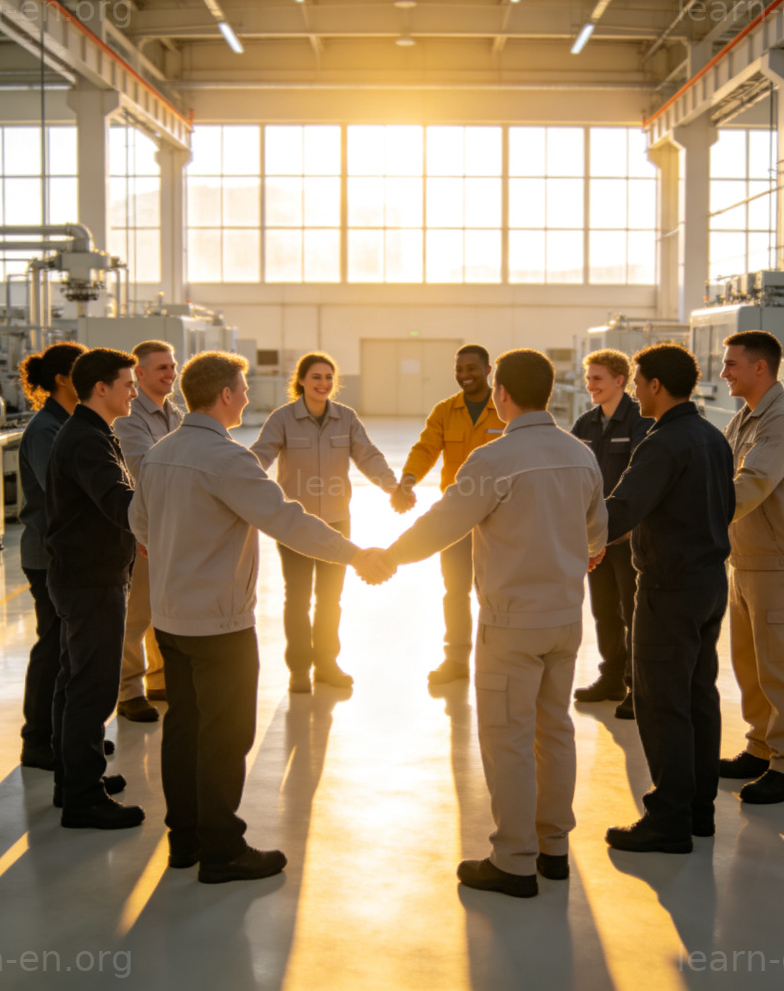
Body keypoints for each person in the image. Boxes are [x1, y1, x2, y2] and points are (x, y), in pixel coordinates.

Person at [129, 351, 391, 884]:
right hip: (220, 625)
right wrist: (356, 554)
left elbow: (139, 524)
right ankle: (222, 850)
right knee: (226, 737)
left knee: (183, 730)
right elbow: (288, 521)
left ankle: (185, 841)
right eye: (243, 389)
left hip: (173, 621)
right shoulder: (227, 460)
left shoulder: (159, 455)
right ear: (224, 396)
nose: (247, 398)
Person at [380, 349, 607, 898]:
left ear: (501, 393)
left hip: (512, 624)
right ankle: (554, 847)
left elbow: (442, 525)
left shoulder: (494, 458)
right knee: (554, 731)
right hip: (564, 619)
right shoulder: (581, 455)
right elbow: (596, 534)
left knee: (507, 738)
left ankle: (513, 860)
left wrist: (388, 557)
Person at [603, 343, 735, 854]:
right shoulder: (711, 437)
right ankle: (699, 811)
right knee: (700, 696)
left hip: (667, 590)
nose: (634, 391)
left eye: (637, 382)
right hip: (708, 584)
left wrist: (572, 534)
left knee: (661, 703)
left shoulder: (661, 444)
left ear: (656, 385)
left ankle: (669, 819)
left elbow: (621, 512)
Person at [251, 352, 400, 693]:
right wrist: (237, 485)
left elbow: (368, 455)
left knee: (330, 598)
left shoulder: (345, 419)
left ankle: (327, 665)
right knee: (298, 598)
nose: (323, 384)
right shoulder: (283, 419)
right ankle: (300, 670)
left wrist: (391, 485)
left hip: (336, 523)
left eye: (329, 377)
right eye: (316, 377)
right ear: (301, 380)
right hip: (296, 526)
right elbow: (261, 455)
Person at [45, 347, 143, 830]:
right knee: (92, 689)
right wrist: (154, 524)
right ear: (100, 388)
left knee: (73, 681)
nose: (135, 391)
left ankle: (73, 779)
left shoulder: (93, 432)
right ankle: (84, 797)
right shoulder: (87, 440)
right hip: (91, 580)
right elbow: (118, 501)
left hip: (83, 573)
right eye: (128, 383)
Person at [719, 330, 784, 804]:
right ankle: (761, 748)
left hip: (778, 563)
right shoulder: (744, 418)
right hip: (747, 558)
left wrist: (699, 520)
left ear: (761, 367)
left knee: (780, 665)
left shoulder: (783, 420)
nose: (723, 373)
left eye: (731, 364)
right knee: (750, 664)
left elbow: (751, 484)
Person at [392, 344, 506, 685]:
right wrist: (408, 480)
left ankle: (497, 659)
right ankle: (456, 659)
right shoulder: (445, 410)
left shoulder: (504, 410)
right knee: (455, 591)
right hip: (455, 519)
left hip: (498, 519)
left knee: (495, 593)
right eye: (459, 369)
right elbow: (426, 447)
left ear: (488, 370)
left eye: (471, 368)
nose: (464, 375)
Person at [571, 349, 652, 719]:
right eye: (588, 379)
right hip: (594, 535)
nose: (590, 386)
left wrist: (620, 527)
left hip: (627, 537)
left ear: (620, 380)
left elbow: (641, 479)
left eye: (597, 379)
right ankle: (613, 677)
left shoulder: (639, 422)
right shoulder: (586, 424)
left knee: (633, 610)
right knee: (603, 609)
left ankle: (640, 686)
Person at [18, 341, 87, 770]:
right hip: (48, 554)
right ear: (63, 379)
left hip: (67, 552)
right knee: (53, 648)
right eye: (82, 371)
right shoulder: (46, 429)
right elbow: (60, 491)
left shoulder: (71, 421)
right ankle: (37, 740)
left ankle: (66, 736)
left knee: (69, 650)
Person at [113, 340, 183, 722]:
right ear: (139, 374)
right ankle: (128, 691)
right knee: (135, 614)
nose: (170, 374)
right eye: (161, 368)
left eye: (172, 367)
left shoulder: (174, 413)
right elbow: (143, 468)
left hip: (169, 525)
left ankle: (158, 679)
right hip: (142, 527)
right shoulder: (130, 416)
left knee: (161, 609)